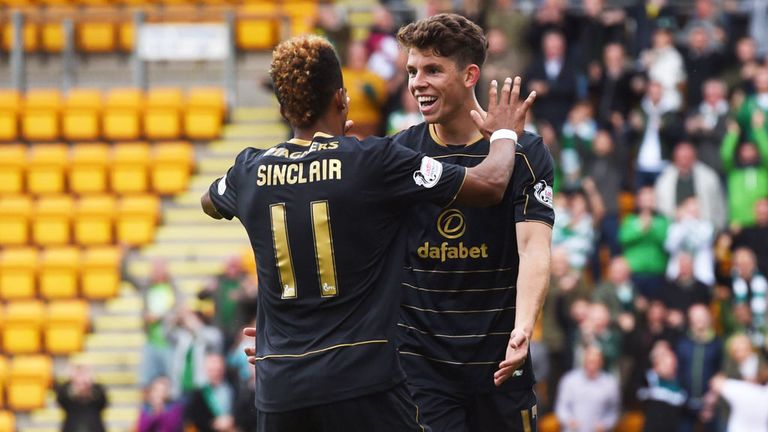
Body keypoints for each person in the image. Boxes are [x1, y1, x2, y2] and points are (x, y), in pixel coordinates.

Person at [204, 34, 536, 431]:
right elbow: (492, 182)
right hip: (361, 381)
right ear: (341, 99)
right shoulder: (372, 161)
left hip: (281, 386)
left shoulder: (249, 170)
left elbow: (210, 201)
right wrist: (504, 135)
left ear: (283, 107)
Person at [393, 14, 554, 431]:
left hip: (501, 364)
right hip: (422, 369)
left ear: (470, 75)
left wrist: (523, 329)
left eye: (432, 70)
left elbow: (534, 248)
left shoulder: (526, 153)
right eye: (412, 71)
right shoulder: (398, 155)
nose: (417, 83)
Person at [554, 346, 621, 432]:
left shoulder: (610, 383)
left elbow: (614, 411)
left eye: (595, 362)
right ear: (584, 361)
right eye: (590, 361)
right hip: (573, 429)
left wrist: (605, 424)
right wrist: (568, 420)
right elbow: (561, 407)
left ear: (601, 363)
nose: (592, 365)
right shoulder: (569, 380)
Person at [55, 363, 108, 432]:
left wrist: (90, 386)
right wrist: (73, 386)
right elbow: (61, 399)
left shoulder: (97, 391)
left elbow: (103, 400)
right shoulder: (67, 393)